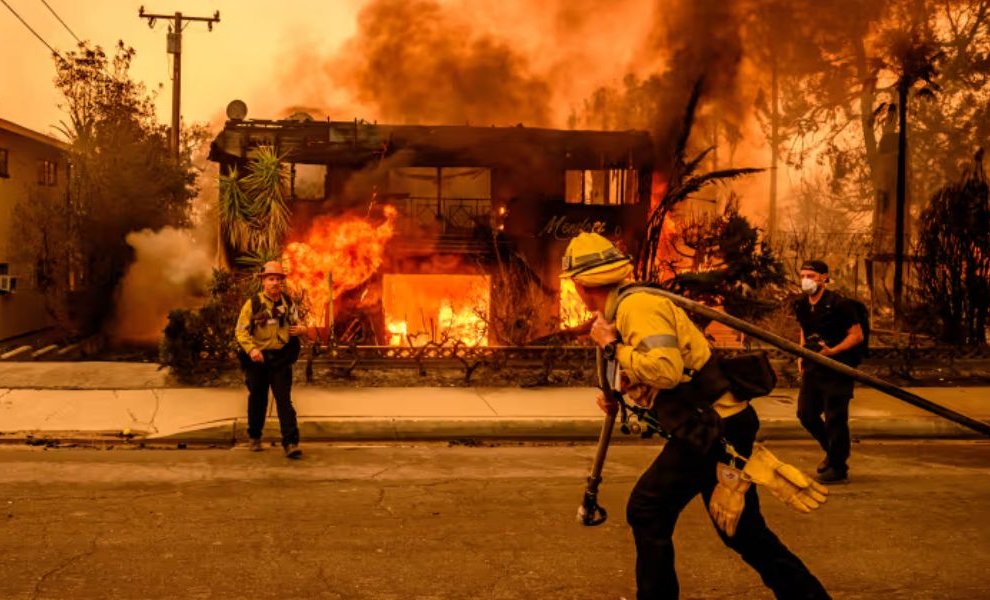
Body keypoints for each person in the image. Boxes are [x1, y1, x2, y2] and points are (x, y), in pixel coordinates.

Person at [562, 232, 829, 600]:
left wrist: (611, 346)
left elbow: (666, 370)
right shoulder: (624, 308)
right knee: (742, 533)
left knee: (647, 508)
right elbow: (654, 371)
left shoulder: (635, 307)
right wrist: (618, 392)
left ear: (579, 284)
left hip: (713, 427)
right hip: (717, 424)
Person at [793, 260, 864, 483]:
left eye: (811, 276)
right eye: (803, 275)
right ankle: (834, 453)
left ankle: (838, 466)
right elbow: (804, 331)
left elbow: (856, 335)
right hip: (813, 368)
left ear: (824, 277)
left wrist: (833, 351)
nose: (806, 280)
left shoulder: (840, 304)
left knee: (835, 418)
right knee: (806, 414)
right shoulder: (802, 304)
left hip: (838, 369)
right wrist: (800, 355)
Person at [234, 261, 308, 458]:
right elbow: (241, 332)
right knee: (258, 399)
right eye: (271, 279)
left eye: (278, 279)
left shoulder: (287, 303)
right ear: (263, 282)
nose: (275, 283)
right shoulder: (253, 304)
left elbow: (297, 322)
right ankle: (255, 437)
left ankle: (291, 443)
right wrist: (251, 350)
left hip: (281, 359)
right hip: (258, 360)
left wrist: (301, 329)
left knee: (284, 401)